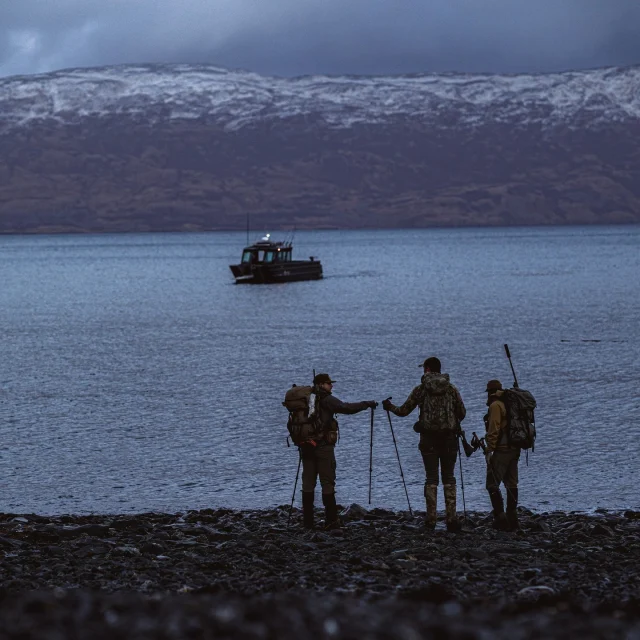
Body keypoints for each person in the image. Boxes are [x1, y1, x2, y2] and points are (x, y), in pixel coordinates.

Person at [382, 357, 466, 532]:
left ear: (427, 369)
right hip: (449, 438)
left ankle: (431, 520)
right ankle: (452, 519)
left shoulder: (421, 390)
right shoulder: (451, 389)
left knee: (431, 478)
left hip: (428, 439)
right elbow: (462, 412)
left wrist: (389, 407)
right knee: (449, 477)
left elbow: (403, 411)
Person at [300, 373, 377, 530]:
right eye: (329, 383)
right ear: (321, 384)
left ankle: (307, 523)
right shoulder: (327, 399)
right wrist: (366, 404)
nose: (331, 386)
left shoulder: (304, 399)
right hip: (323, 447)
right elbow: (346, 408)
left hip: (306, 446)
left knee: (308, 484)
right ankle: (331, 521)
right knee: (327, 483)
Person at [484, 379, 520, 531]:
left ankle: (501, 519)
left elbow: (494, 429)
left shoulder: (495, 405)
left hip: (502, 449)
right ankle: (513, 518)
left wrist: (489, 448)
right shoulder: (511, 402)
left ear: (490, 392)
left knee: (492, 483)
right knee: (511, 483)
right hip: (515, 447)